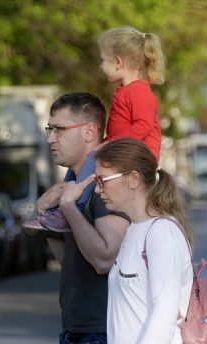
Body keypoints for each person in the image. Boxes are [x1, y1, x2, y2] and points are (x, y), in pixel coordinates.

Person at [82, 137, 207, 344]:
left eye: (102, 179)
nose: (97, 189)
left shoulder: (162, 232)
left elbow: (165, 308)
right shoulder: (134, 230)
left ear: (133, 179)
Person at [35, 92, 130, 344]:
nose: (51, 138)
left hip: (101, 334)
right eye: (49, 129)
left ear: (89, 131)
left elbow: (104, 258)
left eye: (59, 129)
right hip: (75, 333)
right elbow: (73, 260)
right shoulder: (74, 179)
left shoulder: (103, 182)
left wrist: (68, 209)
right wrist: (46, 216)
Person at [37, 25, 166, 233]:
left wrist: (110, 144)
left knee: (91, 164)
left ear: (118, 62)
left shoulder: (140, 92)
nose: (101, 66)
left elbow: (143, 126)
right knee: (77, 168)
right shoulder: (126, 91)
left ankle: (72, 211)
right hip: (122, 149)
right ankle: (60, 207)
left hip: (136, 155)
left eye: (103, 60)